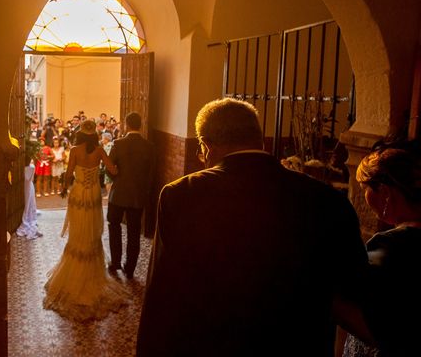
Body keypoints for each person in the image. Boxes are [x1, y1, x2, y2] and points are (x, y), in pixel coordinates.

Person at [136, 97, 368, 356]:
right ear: (260, 140)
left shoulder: (181, 194)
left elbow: (163, 292)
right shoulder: (327, 200)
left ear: (206, 146)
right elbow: (355, 292)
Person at [336, 140, 421, 357]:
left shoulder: (388, 246)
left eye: (365, 189)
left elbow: (368, 318)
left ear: (384, 191)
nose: (364, 198)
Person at [43, 119, 129, 321]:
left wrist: (64, 187)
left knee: (78, 232)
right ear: (94, 134)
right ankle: (91, 275)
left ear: (81, 133)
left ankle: (74, 276)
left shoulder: (74, 150)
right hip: (93, 195)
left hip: (79, 193)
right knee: (92, 232)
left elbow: (69, 173)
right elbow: (113, 170)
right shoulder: (99, 150)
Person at [107, 112, 155, 280]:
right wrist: (145, 192)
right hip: (138, 195)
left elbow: (109, 167)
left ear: (127, 125)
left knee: (114, 227)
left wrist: (116, 179)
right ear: (140, 125)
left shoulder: (118, 144)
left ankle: (115, 262)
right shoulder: (149, 146)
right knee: (134, 232)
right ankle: (130, 268)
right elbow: (151, 173)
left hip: (118, 194)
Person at [15, 153, 42, 239]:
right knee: (29, 204)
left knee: (29, 203)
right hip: (29, 187)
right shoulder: (31, 167)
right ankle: (29, 220)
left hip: (26, 187)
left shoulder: (23, 168)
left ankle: (29, 218)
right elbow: (32, 178)